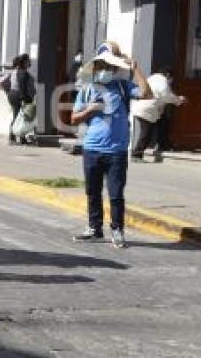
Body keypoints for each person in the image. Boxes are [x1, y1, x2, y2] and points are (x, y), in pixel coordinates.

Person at [71, 42, 153, 249]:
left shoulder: (123, 87)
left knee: (116, 194)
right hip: (91, 149)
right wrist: (89, 110)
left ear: (116, 69)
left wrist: (135, 69)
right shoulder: (88, 89)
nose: (106, 71)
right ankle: (94, 229)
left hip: (116, 151)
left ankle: (117, 230)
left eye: (110, 67)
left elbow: (146, 93)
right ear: (96, 67)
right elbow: (73, 118)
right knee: (93, 192)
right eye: (102, 66)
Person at [130, 67, 186, 162]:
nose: (171, 81)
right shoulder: (162, 81)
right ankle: (136, 155)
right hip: (147, 110)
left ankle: (161, 145)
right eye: (171, 78)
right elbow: (166, 96)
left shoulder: (153, 78)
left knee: (152, 129)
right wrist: (179, 100)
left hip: (142, 108)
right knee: (146, 134)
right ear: (168, 75)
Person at [0, 54, 36, 145]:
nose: (29, 62)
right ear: (24, 62)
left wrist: (9, 92)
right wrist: (23, 98)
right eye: (28, 61)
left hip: (14, 95)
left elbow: (2, 82)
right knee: (19, 117)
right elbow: (22, 86)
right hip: (19, 96)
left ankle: (18, 138)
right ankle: (13, 138)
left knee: (20, 117)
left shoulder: (16, 72)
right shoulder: (22, 73)